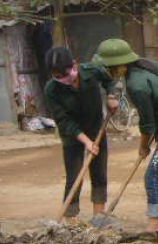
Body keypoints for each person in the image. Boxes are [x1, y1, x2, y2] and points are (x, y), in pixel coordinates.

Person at [96, 39, 158, 234]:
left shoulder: (137, 84)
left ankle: (154, 224)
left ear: (120, 65)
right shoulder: (143, 68)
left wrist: (143, 146)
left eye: (110, 68)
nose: (108, 72)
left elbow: (147, 123)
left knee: (153, 175)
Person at [43, 47, 118, 223]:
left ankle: (98, 216)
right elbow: (63, 121)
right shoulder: (51, 89)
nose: (63, 79)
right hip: (72, 135)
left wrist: (112, 96)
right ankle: (70, 219)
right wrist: (85, 141)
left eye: (65, 74)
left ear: (75, 64)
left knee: (99, 172)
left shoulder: (92, 71)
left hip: (96, 128)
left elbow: (110, 81)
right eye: (57, 76)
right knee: (74, 175)